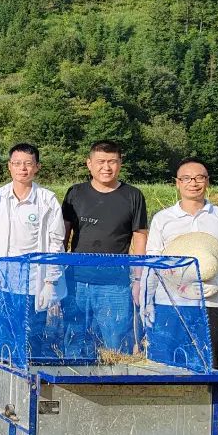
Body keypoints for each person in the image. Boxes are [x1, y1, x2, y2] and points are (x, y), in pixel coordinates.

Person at [145, 157, 218, 366]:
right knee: (164, 365)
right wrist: (148, 301)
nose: (193, 183)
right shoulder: (163, 218)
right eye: (186, 178)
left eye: (199, 177)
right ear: (177, 182)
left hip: (209, 304)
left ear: (207, 181)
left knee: (207, 365)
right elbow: (152, 260)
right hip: (168, 303)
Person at [61, 140, 148, 355]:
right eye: (100, 162)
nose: (106, 167)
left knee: (116, 341)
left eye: (112, 162)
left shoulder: (133, 196)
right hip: (77, 282)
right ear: (89, 164)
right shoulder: (75, 194)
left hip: (115, 284)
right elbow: (62, 236)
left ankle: (114, 385)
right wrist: (57, 276)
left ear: (120, 163)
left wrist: (138, 279)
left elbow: (139, 238)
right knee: (75, 337)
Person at [0, 143, 65, 344]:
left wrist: (50, 282)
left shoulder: (47, 200)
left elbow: (56, 242)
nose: (22, 169)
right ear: (9, 166)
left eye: (28, 163)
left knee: (30, 337)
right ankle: (1, 374)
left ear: (37, 167)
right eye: (17, 163)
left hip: (34, 283)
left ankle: (28, 376)